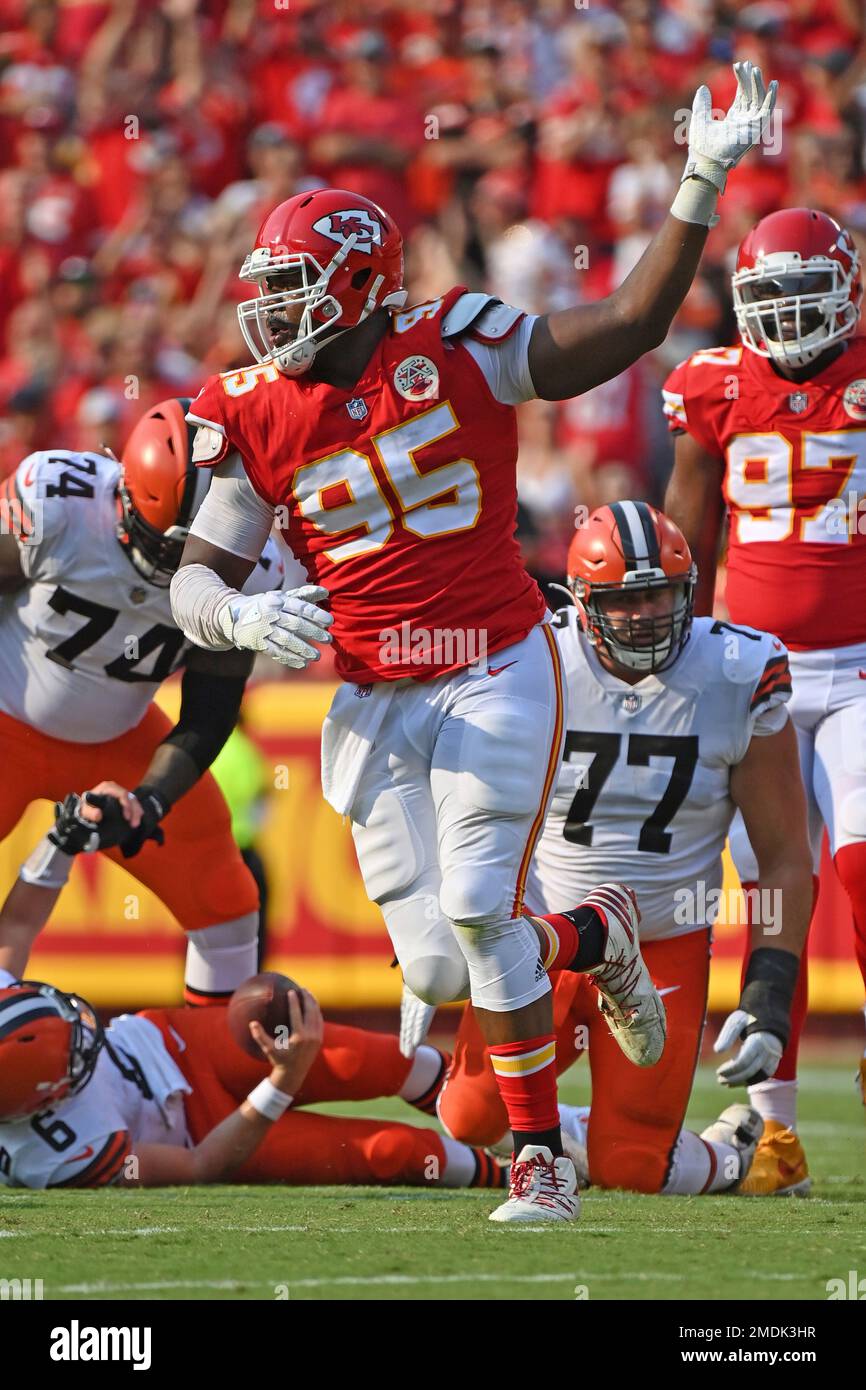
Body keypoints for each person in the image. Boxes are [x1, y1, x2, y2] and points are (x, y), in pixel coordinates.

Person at [169, 64, 777, 1222]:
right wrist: (237, 615)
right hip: (373, 697)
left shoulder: (457, 342)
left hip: (494, 664)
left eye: (293, 288)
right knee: (445, 971)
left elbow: (626, 326)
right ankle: (594, 934)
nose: (267, 311)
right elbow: (200, 574)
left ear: (356, 287)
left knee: (475, 913)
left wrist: (698, 178)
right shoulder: (255, 408)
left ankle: (543, 1166)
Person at [437, 503, 813, 1197]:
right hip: (545, 934)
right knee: (466, 1114)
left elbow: (784, 854)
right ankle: (569, 1131)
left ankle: (743, 1151)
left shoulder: (737, 673)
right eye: (624, 599)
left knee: (633, 1169)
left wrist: (770, 993)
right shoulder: (535, 661)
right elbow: (464, 804)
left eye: (659, 594)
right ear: (581, 603)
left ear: (689, 589)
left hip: (661, 939)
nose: (644, 614)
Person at [663, 207, 866, 1190]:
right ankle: (770, 1130)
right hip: (759, 673)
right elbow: (684, 521)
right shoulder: (711, 385)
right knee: (772, 889)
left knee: (862, 864)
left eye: (802, 294)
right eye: (767, 297)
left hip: (861, 666)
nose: (785, 317)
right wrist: (670, 644)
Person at [0, 398, 303, 1003]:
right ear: (123, 495)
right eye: (164, 548)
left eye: (195, 554)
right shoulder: (58, 503)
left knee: (227, 899)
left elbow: (210, 712)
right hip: (7, 719)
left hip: (122, 740)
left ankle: (212, 1062)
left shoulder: (250, 565)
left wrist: (149, 802)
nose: (175, 570)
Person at [0, 857, 501, 1193]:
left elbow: (17, 925)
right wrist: (281, 1084)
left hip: (174, 1043)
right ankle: (510, 1173)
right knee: (398, 1153)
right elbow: (199, 1168)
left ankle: (545, 1130)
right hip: (206, 1133)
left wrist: (59, 844)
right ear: (50, 1095)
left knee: (380, 1060)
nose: (87, 1032)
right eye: (76, 1049)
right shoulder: (54, 1158)